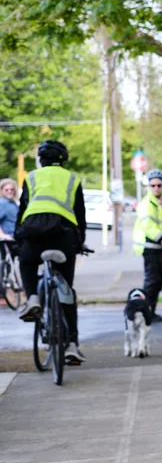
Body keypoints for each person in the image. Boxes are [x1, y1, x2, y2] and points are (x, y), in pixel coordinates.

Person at [14, 140, 89, 364]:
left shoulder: (31, 177)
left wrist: (19, 237)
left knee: (27, 262)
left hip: (34, 232)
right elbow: (80, 213)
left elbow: (23, 210)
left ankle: (33, 299)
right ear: (63, 160)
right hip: (63, 235)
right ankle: (72, 345)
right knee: (66, 289)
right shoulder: (72, 179)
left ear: (41, 160)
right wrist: (80, 242)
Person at [132, 169, 162, 323]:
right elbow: (148, 225)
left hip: (161, 247)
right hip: (150, 246)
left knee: (158, 282)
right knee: (151, 282)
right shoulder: (146, 204)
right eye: (153, 185)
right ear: (148, 187)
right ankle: (145, 313)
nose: (156, 188)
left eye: (159, 185)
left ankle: (151, 311)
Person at [0, 177, 18, 269]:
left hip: (13, 238)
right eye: (6, 190)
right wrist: (2, 235)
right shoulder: (3, 203)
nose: (9, 191)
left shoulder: (13, 203)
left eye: (12, 189)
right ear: (2, 191)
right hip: (7, 239)